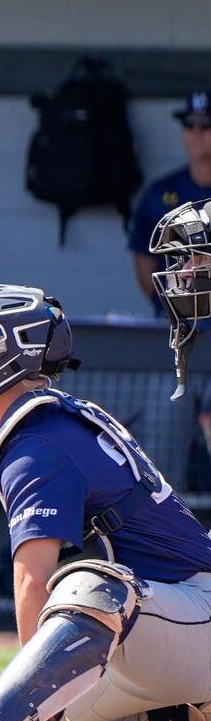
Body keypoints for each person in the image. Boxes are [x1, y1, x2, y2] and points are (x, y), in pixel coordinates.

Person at [0, 283, 211, 721]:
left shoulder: (41, 440)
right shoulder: (50, 420)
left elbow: (34, 579)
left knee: (89, 586)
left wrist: (25, 713)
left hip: (191, 612)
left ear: (11, 352)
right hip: (166, 629)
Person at [126, 89, 211, 488]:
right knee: (160, 466)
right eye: (191, 126)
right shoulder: (162, 194)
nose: (198, 134)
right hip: (180, 344)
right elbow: (146, 270)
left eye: (207, 126)